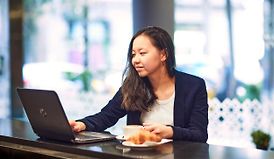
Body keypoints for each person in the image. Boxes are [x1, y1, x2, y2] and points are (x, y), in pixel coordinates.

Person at [69, 26, 208, 142]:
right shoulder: (132, 85)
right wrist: (82, 124)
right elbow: (106, 116)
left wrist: (170, 131)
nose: (135, 60)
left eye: (142, 53)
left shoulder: (194, 86)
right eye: (133, 54)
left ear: (163, 55)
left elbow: (199, 135)